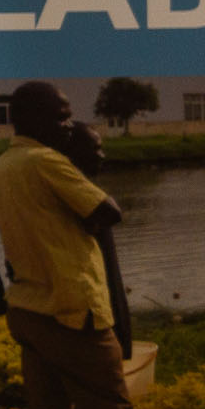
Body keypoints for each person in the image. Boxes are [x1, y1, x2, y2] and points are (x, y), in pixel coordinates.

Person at [0, 82, 135, 409]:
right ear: (32, 118)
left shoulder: (0, 167)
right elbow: (108, 211)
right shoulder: (45, 161)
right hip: (72, 314)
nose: (69, 126)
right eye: (61, 118)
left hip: (30, 311)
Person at [57, 122, 131, 363]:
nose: (102, 155)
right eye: (95, 149)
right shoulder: (71, 195)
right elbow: (112, 213)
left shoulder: (85, 193)